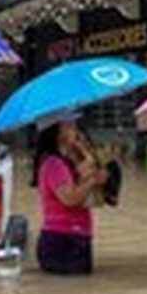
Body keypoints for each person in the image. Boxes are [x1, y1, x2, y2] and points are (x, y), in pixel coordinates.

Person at [33, 115, 108, 275]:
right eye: (70, 126)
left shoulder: (67, 162)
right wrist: (92, 181)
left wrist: (91, 176)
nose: (76, 130)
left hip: (74, 236)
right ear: (57, 133)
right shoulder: (54, 164)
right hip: (63, 240)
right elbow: (70, 198)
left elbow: (80, 193)